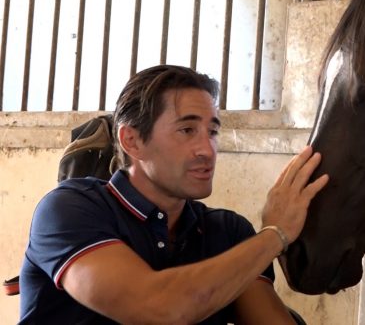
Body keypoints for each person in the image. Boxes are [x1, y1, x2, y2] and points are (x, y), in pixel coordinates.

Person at [19, 65, 329, 324]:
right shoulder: (71, 210)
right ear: (133, 140)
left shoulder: (228, 233)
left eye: (212, 132)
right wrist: (275, 235)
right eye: (187, 131)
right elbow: (157, 306)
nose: (207, 150)